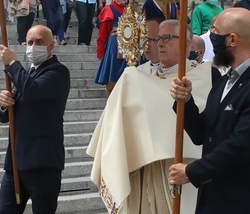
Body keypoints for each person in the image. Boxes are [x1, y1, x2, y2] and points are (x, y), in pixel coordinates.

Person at [88, 18, 216, 214]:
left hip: (183, 171)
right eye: (158, 39)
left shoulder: (205, 76)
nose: (160, 43)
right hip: (143, 171)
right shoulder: (138, 78)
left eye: (167, 37)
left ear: (186, 44)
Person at [168, 7, 250, 213]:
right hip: (214, 199)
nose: (211, 36)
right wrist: (185, 100)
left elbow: (241, 146)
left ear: (232, 40)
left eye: (215, 30)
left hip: (245, 202)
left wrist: (192, 171)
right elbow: (202, 133)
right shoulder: (223, 82)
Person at [0, 25, 71, 214]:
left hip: (42, 163)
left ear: (51, 45)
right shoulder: (27, 73)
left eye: (39, 41)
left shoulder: (58, 72)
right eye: (30, 42)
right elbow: (7, 113)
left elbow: (32, 92)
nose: (33, 46)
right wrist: (4, 104)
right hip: (15, 163)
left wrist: (13, 64)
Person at [95, 0, 128, 96]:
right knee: (113, 80)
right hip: (115, 46)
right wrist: (100, 51)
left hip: (129, 48)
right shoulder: (108, 9)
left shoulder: (129, 9)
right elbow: (103, 33)